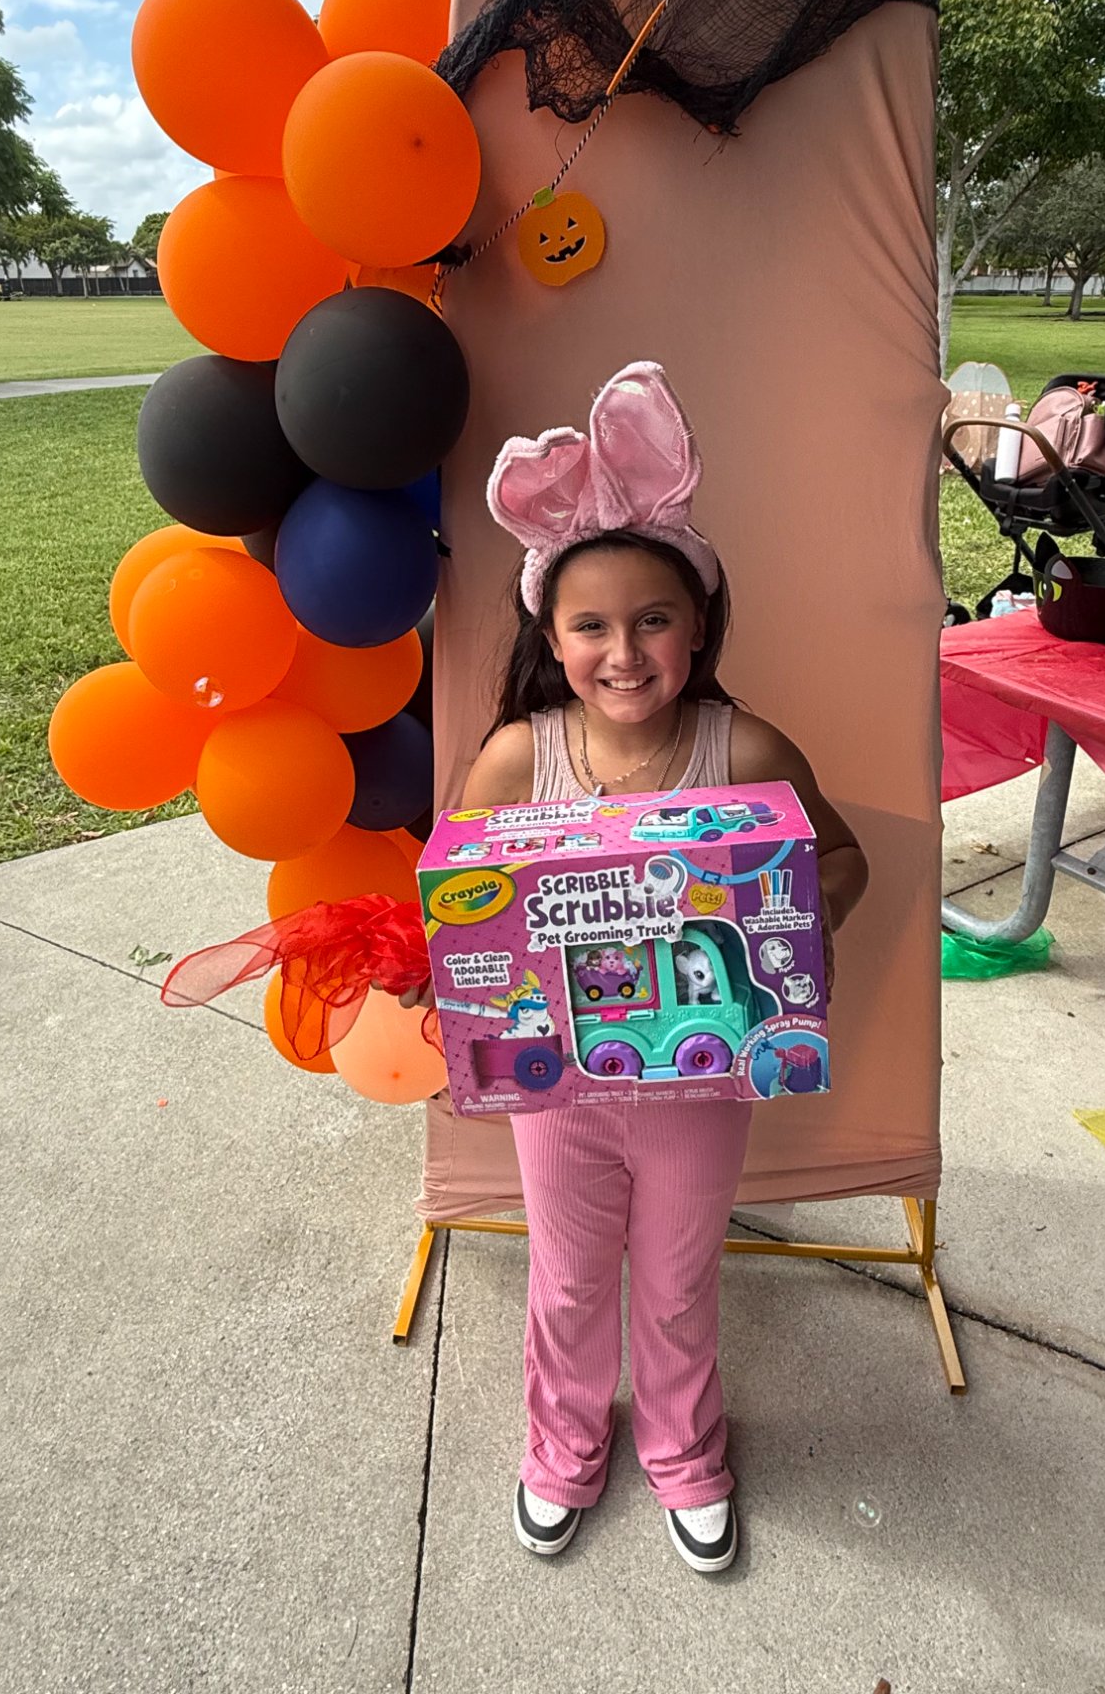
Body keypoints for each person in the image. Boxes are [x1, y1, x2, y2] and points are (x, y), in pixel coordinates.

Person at [456, 361, 869, 1575]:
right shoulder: (509, 759)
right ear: (551, 634)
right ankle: (562, 1448)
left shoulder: (742, 745)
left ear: (697, 628)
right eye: (591, 624)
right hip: (559, 1092)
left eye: (653, 620)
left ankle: (688, 1455)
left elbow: (837, 857)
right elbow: (466, 914)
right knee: (570, 1280)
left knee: (680, 1278)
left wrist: (792, 917)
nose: (623, 651)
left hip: (700, 1079)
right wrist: (458, 993)